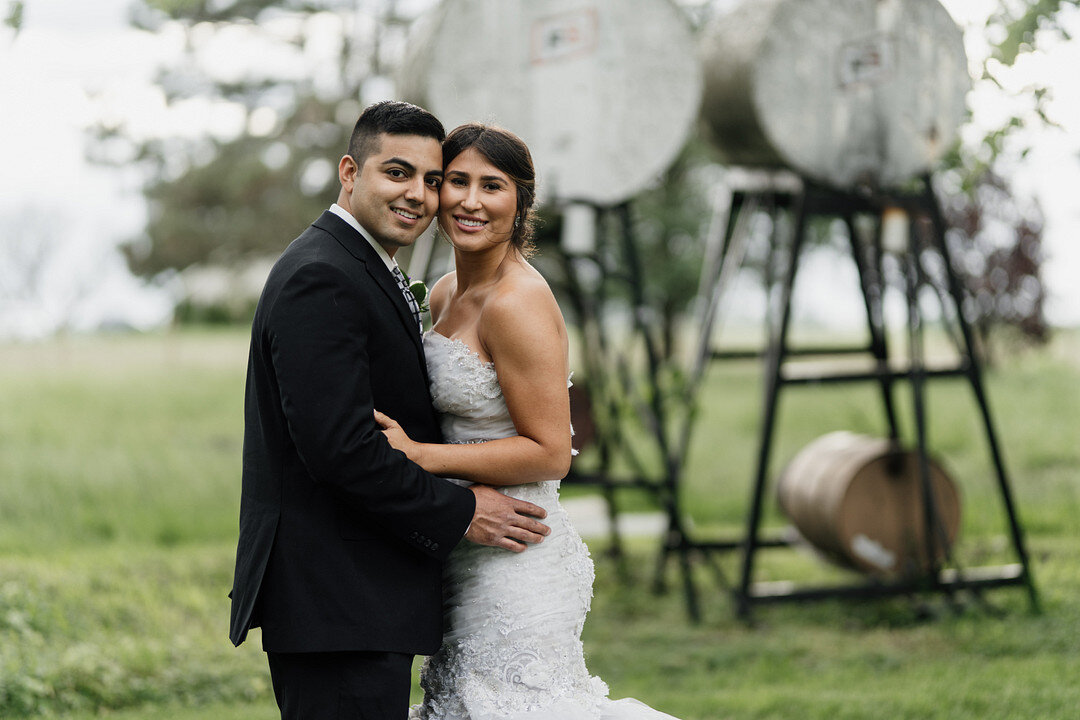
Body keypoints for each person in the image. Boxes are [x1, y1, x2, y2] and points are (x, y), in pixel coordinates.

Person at [228, 101, 551, 720]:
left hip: (365, 597)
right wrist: (462, 511)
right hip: (338, 599)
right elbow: (342, 451)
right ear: (350, 172)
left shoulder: (359, 267)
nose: (421, 195)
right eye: (397, 173)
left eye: (433, 179)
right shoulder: (322, 276)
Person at [375, 123, 680, 719]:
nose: (469, 201)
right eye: (455, 181)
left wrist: (419, 456)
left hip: (518, 555)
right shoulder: (443, 293)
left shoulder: (519, 303)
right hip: (463, 549)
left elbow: (550, 453)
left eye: (492, 186)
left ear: (521, 204)